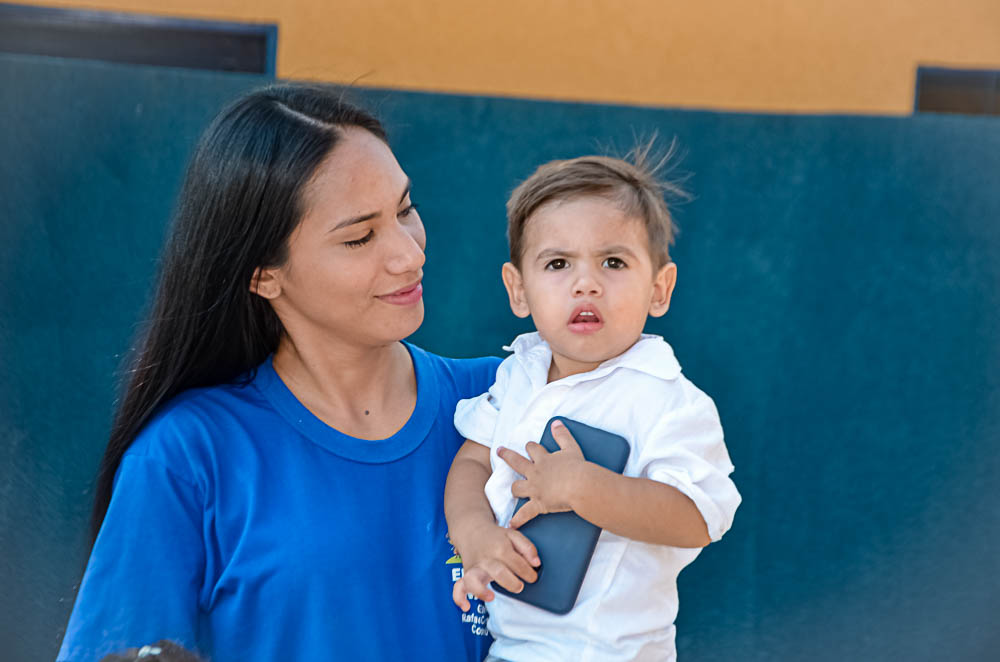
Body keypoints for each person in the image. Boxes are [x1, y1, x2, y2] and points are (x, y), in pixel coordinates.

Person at [57, 84, 498, 662]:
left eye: (406, 210)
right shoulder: (189, 454)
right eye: (360, 236)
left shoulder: (507, 400)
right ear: (264, 275)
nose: (408, 253)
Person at [443, 149, 742, 661]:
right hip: (513, 650)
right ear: (519, 291)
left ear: (660, 288)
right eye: (558, 263)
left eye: (613, 262)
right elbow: (472, 461)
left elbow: (699, 517)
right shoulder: (517, 375)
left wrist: (588, 489)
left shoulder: (668, 398)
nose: (587, 283)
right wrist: (474, 534)